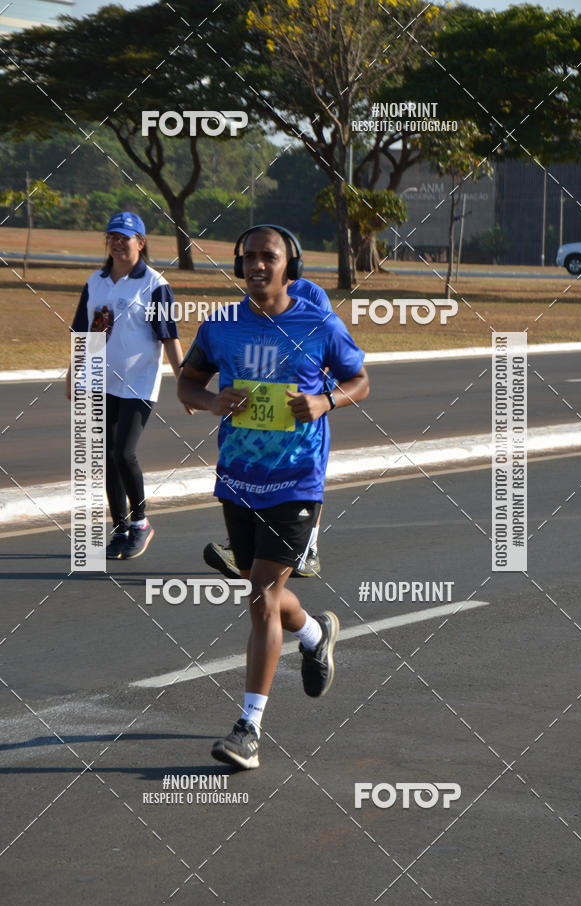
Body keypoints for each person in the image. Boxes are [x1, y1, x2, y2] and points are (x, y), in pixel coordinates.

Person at [177, 224, 369, 769]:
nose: (258, 265)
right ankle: (314, 632)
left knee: (260, 591)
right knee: (259, 587)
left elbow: (360, 381)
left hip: (297, 478)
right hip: (238, 476)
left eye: (269, 256)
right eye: (250, 258)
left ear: (290, 265)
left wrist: (326, 401)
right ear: (239, 266)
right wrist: (213, 401)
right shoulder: (220, 326)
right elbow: (186, 385)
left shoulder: (318, 322)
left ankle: (248, 729)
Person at [66, 211, 185, 560]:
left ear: (141, 243)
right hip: (98, 380)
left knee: (124, 452)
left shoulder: (154, 284)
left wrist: (184, 382)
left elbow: (169, 338)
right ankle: (120, 528)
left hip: (138, 384)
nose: (118, 243)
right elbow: (82, 333)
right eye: (112, 237)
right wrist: (74, 376)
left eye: (125, 237)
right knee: (105, 457)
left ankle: (141, 523)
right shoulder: (96, 281)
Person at [202, 275, 333, 580]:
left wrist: (320, 397)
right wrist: (210, 396)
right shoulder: (254, 294)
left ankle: (308, 548)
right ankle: (244, 547)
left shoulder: (310, 293)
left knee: (303, 474)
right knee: (251, 469)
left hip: (296, 409)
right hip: (253, 409)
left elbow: (325, 347)